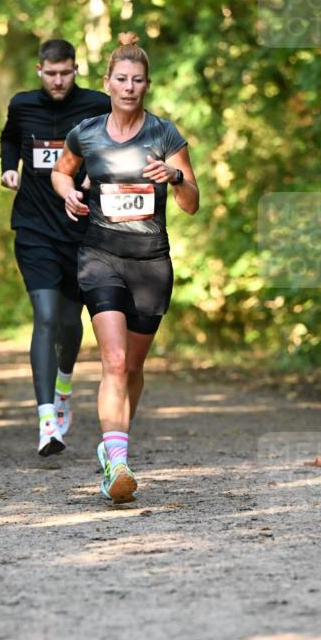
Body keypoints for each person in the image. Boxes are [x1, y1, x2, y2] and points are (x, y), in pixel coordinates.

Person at [52, 32, 199, 504]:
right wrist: (68, 192)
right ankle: (117, 464)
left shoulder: (165, 134)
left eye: (137, 80)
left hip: (150, 263)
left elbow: (191, 203)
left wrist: (175, 176)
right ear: (107, 83)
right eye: (121, 79)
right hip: (100, 256)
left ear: (147, 85)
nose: (129, 87)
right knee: (113, 361)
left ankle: (112, 447)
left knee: (133, 367)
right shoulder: (86, 132)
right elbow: (61, 170)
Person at [0, 37, 110, 456]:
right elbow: (10, 139)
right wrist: (9, 168)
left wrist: (95, 174)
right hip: (34, 228)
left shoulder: (97, 105)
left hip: (81, 229)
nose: (59, 81)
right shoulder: (22, 105)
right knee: (45, 316)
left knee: (69, 320)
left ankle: (64, 384)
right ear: (39, 71)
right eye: (51, 74)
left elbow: (115, 144)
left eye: (66, 73)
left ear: (75, 69)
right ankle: (47, 422)